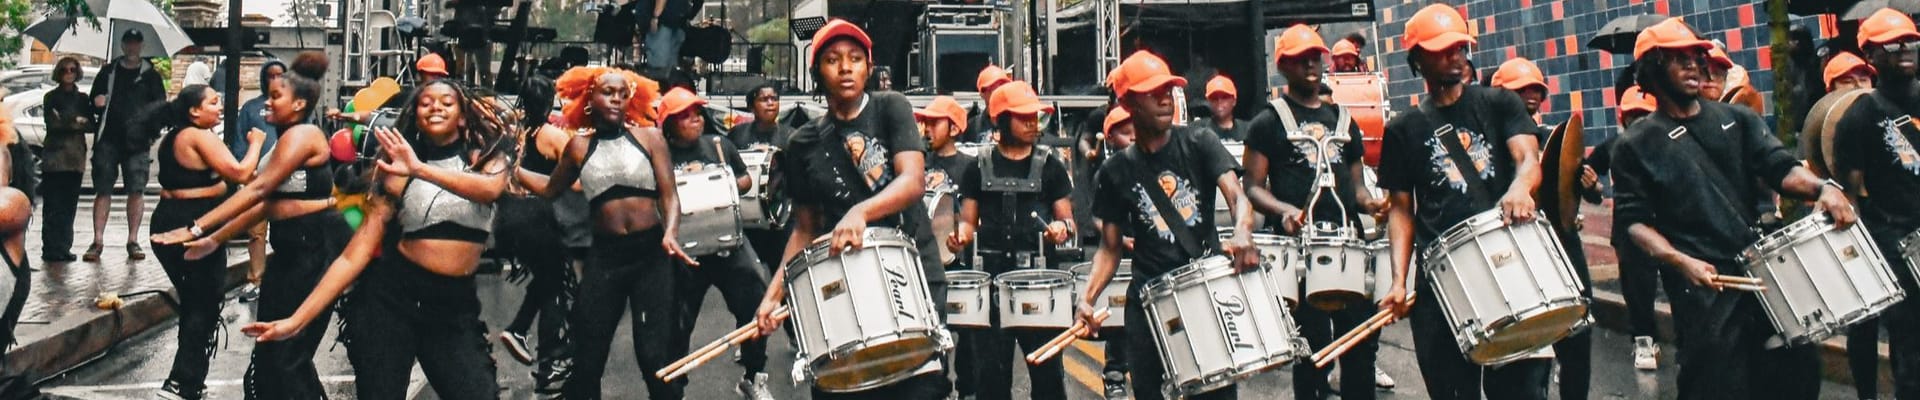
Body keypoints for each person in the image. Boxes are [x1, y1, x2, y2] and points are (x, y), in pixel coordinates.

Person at [1614, 17, 1848, 400]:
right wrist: (1679, 261)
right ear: (1653, 69)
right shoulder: (1636, 145)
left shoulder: (1737, 119)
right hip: (1703, 285)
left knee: (1796, 376)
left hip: (1761, 270)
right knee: (1718, 386)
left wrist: (1823, 189)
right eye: (1680, 59)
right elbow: (1634, 223)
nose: (1695, 66)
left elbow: (1781, 169)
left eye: (1696, 58)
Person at [242, 79, 512, 398]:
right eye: (426, 103)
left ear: (463, 116)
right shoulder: (397, 171)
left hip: (453, 306)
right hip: (390, 302)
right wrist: (297, 320)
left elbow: (489, 190)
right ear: (416, 114)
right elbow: (354, 254)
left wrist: (420, 169)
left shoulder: (489, 158)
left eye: (446, 102)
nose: (436, 106)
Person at [750, 19, 954, 399]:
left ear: (868, 68)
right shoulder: (802, 142)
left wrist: (860, 212)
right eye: (832, 59)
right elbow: (805, 229)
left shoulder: (891, 107)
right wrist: (773, 295)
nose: (845, 67)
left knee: (920, 388)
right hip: (849, 286)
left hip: (911, 274)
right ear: (817, 73)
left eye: (856, 58)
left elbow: (912, 181)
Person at [1374, 5, 1552, 400]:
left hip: (1508, 260)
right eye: (1441, 49)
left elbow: (1527, 159)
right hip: (1441, 277)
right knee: (1452, 392)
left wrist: (1521, 188)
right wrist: (1399, 280)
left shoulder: (1499, 103)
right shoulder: (1403, 129)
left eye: (1458, 47)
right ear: (1416, 59)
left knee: (1521, 392)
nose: (1454, 56)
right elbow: (1401, 209)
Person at [150, 52, 348, 400]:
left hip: (315, 251)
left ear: (300, 103)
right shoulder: (284, 140)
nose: (265, 103)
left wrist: (197, 228)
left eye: (275, 97)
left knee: (287, 357)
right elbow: (265, 204)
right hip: (289, 253)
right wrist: (215, 239)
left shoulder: (304, 135)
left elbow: (257, 188)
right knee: (269, 354)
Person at [1073, 50, 1262, 400]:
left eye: (1168, 90)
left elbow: (1237, 196)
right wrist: (1086, 298)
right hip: (1149, 305)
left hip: (1205, 294)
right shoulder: (1114, 173)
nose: (1165, 99)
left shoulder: (1198, 141)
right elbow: (1110, 247)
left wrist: (1242, 232)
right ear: (1128, 102)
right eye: (1152, 92)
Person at [516, 65, 697, 399]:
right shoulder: (578, 148)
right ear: (589, 99)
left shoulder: (650, 138)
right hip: (606, 257)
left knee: (653, 355)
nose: (616, 99)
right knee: (588, 355)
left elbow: (670, 197)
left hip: (651, 255)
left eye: (622, 94)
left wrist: (670, 232)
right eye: (607, 92)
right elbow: (550, 188)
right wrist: (514, 172)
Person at [1240, 24, 1384, 400]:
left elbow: (1357, 188)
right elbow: (1251, 187)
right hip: (1299, 252)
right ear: (1283, 66)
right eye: (1300, 59)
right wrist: (1283, 209)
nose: (1310, 65)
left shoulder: (1343, 120)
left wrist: (1373, 205)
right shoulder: (1268, 122)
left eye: (1315, 58)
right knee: (1312, 352)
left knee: (1360, 347)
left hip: (1347, 246)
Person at [948, 81, 1075, 400]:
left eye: (1035, 117)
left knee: (1048, 379)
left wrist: (1061, 228)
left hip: (1039, 282)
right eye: (1024, 117)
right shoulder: (977, 166)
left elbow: (1068, 219)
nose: (1034, 123)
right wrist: (960, 237)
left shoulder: (1051, 165)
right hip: (991, 283)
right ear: (1001, 119)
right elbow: (968, 221)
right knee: (990, 379)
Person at [144, 85, 266, 400]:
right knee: (203, 303)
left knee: (198, 302)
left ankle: (189, 381)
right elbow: (240, 172)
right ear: (194, 111)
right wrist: (256, 144)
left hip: (175, 219)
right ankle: (182, 382)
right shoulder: (197, 136)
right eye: (213, 103)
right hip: (187, 225)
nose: (220, 107)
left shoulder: (178, 136)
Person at [654, 87, 777, 400]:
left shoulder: (720, 145)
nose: (695, 120)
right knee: (676, 326)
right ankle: (674, 390)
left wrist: (722, 186)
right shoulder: (659, 154)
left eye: (697, 113)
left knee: (755, 308)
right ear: (668, 124)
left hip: (729, 246)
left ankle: (753, 375)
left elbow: (745, 179)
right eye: (685, 116)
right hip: (686, 255)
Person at [1491, 56, 1599, 400]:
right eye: (1522, 90)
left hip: (1563, 247)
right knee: (1529, 356)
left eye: (1537, 89)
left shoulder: (1554, 140)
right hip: (1520, 253)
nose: (1532, 96)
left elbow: (1575, 197)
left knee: (1577, 339)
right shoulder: (1493, 148)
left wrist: (1590, 186)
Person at [1829, 9, 1920, 400]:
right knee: (1911, 342)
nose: (1905, 51)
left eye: (1910, 42)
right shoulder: (1860, 117)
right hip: (1896, 239)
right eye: (1892, 45)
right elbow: (1849, 192)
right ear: (1871, 54)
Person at [493, 76, 580, 394]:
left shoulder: (515, 132)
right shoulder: (552, 135)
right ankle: (544, 359)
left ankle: (533, 346)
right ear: (549, 101)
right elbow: (576, 180)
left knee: (550, 284)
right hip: (537, 216)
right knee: (556, 286)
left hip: (508, 216)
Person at [1592, 86, 1677, 372]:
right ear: (1622, 117)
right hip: (1630, 227)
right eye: (1633, 116)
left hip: (1670, 222)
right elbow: (1584, 170)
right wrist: (1592, 186)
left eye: (1644, 114)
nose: (1638, 121)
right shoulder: (1615, 145)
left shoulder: (1672, 142)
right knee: (1637, 288)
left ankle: (1688, 344)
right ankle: (1643, 340)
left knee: (1679, 284)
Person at [914, 94, 979, 398]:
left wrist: (963, 235)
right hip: (923, 263)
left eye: (933, 123)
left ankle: (967, 388)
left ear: (954, 129)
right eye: (923, 122)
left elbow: (976, 215)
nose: (925, 128)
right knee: (930, 332)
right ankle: (936, 388)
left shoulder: (971, 166)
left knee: (969, 334)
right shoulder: (915, 163)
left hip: (961, 262)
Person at [87, 29, 167, 262]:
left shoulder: (151, 75)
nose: (132, 47)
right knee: (103, 190)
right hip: (108, 140)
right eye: (128, 42)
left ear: (141, 46)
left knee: (136, 190)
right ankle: (97, 240)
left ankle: (133, 239)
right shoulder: (108, 71)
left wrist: (151, 134)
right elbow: (94, 101)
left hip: (138, 143)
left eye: (136, 43)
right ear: (122, 45)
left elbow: (160, 108)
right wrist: (97, 102)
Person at [230, 59, 286, 303]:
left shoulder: (291, 106)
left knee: (284, 231)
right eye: (270, 75)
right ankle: (255, 280)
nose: (275, 80)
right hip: (256, 178)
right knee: (256, 232)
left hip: (286, 178)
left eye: (279, 75)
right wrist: (247, 173)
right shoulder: (251, 108)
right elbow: (240, 143)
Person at [728, 84, 793, 275]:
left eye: (774, 99)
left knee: (783, 275)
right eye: (764, 99)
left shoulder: (791, 136)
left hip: (781, 220)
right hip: (748, 221)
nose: (771, 103)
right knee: (748, 276)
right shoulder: (737, 134)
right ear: (751, 106)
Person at [39, 57, 90, 263]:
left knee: (69, 206)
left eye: (72, 70)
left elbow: (90, 124)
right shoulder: (51, 97)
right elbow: (53, 124)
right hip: (54, 158)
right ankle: (50, 247)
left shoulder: (82, 98)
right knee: (52, 205)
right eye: (64, 70)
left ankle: (64, 246)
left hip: (75, 158)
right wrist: (75, 120)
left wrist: (71, 120)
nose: (68, 73)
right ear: (59, 73)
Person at [646, 0, 697, 79]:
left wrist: (656, 16)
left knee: (660, 66)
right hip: (676, 21)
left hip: (665, 21)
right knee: (668, 69)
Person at [968, 65, 1015, 142]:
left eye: (1003, 85)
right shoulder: (972, 126)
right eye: (993, 87)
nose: (999, 91)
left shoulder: (1016, 123)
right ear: (982, 93)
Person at [1203, 75, 1248, 142]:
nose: (1219, 102)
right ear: (1208, 102)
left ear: (1234, 101)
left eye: (1224, 97)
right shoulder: (1199, 132)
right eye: (1214, 98)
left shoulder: (1248, 130)